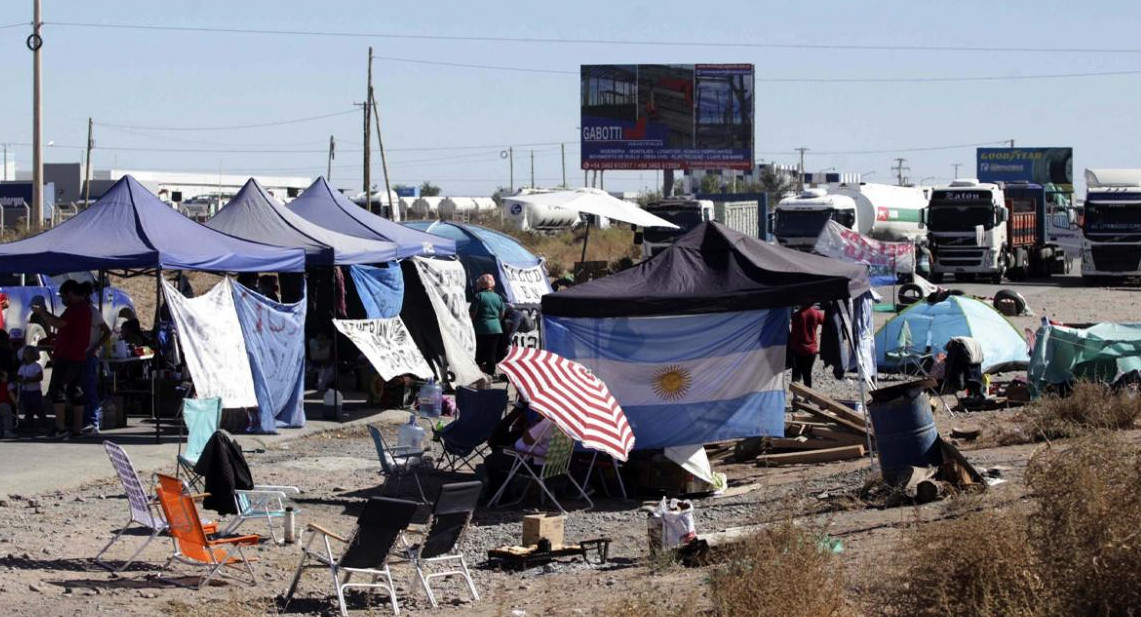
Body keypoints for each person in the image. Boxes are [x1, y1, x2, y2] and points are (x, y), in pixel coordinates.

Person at [32, 279, 93, 439]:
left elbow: (59, 323)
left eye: (64, 296)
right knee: (76, 392)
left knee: (57, 391)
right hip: (78, 356)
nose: (63, 300)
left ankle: (60, 428)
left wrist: (42, 312)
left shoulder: (76, 309)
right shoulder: (85, 308)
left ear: (70, 294)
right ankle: (77, 429)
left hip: (68, 357)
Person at [79, 282, 112, 435]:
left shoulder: (93, 312)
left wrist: (94, 348)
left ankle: (93, 422)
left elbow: (107, 331)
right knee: (81, 390)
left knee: (90, 388)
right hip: (78, 355)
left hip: (89, 356)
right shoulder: (78, 311)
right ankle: (85, 421)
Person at [469, 274, 505, 375]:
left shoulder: (478, 296)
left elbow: (472, 313)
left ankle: (476, 372)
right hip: (496, 328)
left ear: (480, 285)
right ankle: (491, 371)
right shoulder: (498, 297)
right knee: (491, 352)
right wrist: (495, 321)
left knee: (479, 351)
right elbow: (502, 314)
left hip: (481, 328)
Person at [789, 303, 825, 388]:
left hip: (797, 349)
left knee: (796, 374)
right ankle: (807, 398)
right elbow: (826, 322)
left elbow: (793, 334)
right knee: (807, 374)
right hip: (811, 350)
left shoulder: (795, 315)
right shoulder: (815, 313)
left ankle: (795, 396)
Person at [17, 346, 44, 429]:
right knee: (27, 408)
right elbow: (19, 376)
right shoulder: (22, 367)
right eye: (26, 354)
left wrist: (30, 380)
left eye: (30, 354)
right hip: (25, 391)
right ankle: (29, 424)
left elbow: (40, 377)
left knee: (38, 408)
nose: (28, 356)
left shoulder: (36, 366)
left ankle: (43, 423)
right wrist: (21, 380)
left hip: (35, 391)